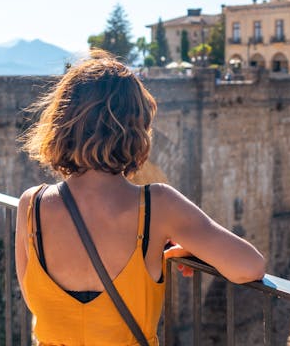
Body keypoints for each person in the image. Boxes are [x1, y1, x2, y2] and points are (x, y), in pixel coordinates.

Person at [15, 49, 265, 346]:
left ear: (61, 124)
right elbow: (249, 267)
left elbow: (37, 302)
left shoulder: (31, 205)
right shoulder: (158, 206)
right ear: (138, 128)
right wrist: (191, 248)